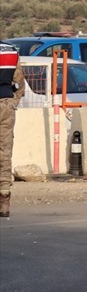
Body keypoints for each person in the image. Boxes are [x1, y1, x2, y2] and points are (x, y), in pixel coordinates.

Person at [0, 43, 27, 219]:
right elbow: (19, 82)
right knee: (5, 150)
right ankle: (4, 198)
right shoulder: (10, 51)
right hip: (6, 104)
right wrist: (13, 101)